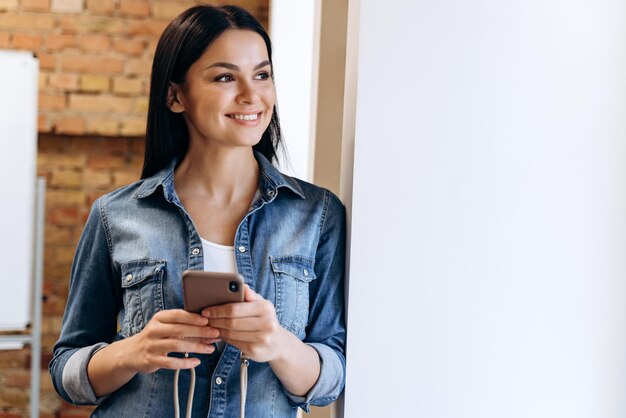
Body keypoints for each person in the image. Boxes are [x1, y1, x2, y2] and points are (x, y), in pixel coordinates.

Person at [49, 5, 346, 417]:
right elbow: (66, 372)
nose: (251, 94)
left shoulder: (318, 214)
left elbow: (333, 377)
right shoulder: (115, 216)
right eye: (225, 77)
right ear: (175, 96)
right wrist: (134, 351)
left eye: (262, 74)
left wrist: (276, 343)